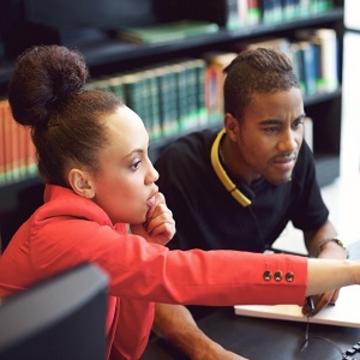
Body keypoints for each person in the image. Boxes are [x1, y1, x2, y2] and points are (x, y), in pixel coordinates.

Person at [0, 45, 357, 360]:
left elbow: (124, 351)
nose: (153, 175)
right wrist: (353, 272)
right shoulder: (62, 236)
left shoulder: (109, 226)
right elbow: (191, 273)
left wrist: (142, 245)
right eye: (135, 163)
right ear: (82, 182)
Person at [154, 48, 348, 359]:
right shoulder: (177, 170)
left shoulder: (295, 156)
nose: (290, 143)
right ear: (232, 127)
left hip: (251, 311)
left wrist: (333, 253)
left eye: (297, 123)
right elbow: (153, 289)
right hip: (195, 324)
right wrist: (207, 352)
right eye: (271, 128)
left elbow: (317, 224)